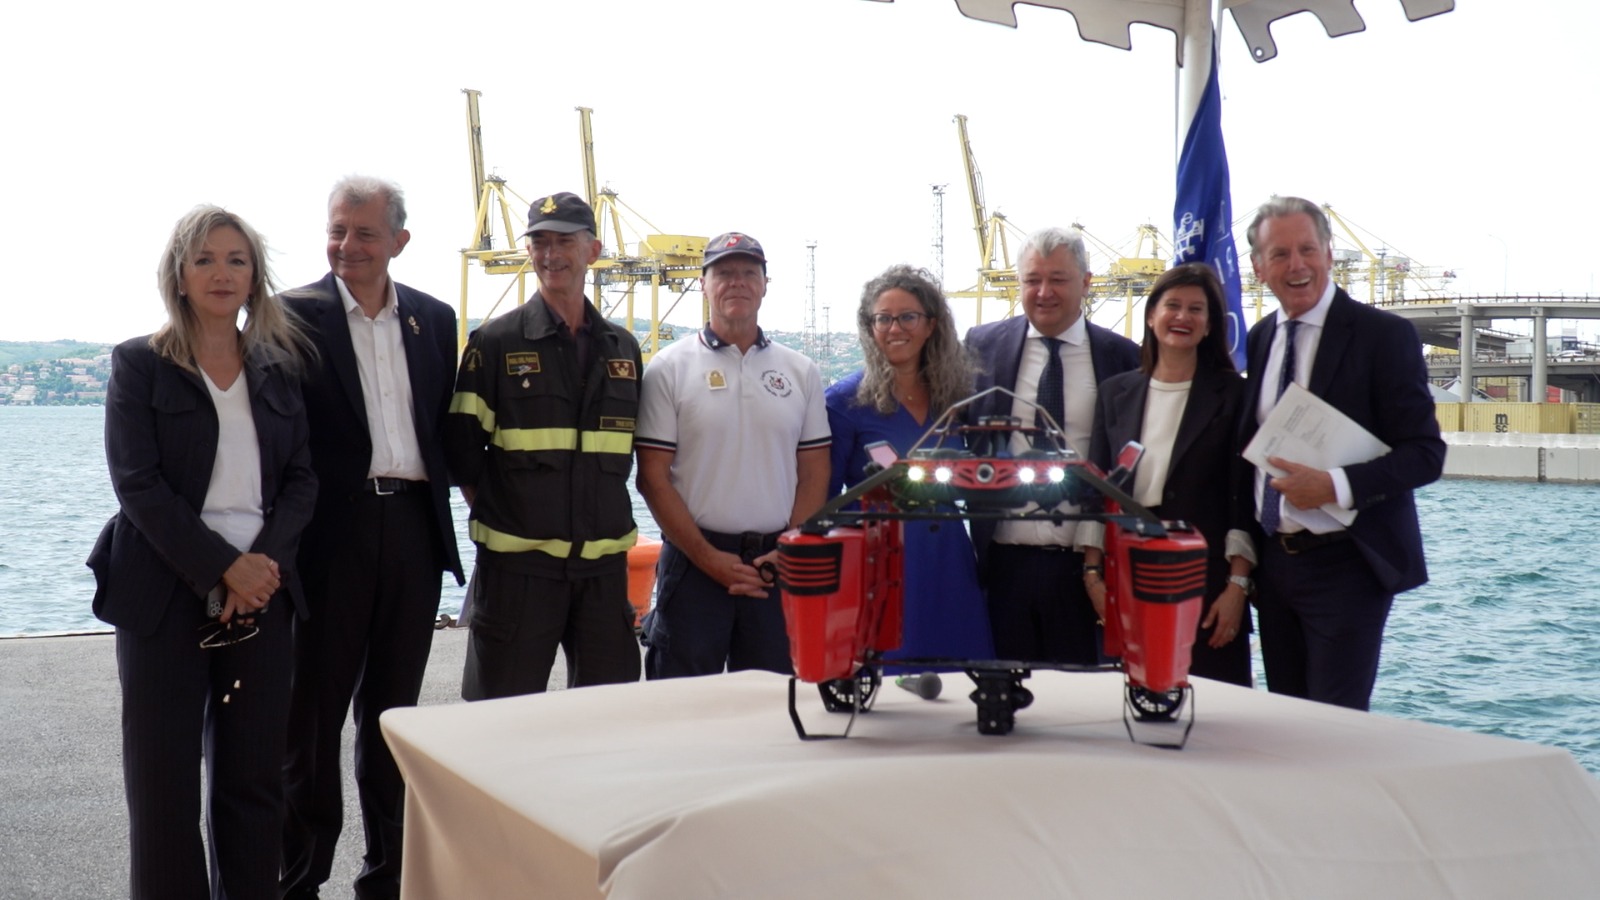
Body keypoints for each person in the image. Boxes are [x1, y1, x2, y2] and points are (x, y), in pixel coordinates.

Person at [89, 205, 316, 899]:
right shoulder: (139, 364)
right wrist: (224, 568)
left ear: (254, 278)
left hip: (261, 596)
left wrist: (260, 569)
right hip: (164, 597)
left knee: (254, 785)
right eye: (206, 259)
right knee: (163, 790)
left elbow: (302, 479)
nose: (222, 273)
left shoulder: (278, 368)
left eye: (237, 260)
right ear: (179, 275)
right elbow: (138, 484)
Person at [279, 175, 464, 900]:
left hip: (414, 530)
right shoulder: (290, 316)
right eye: (337, 230)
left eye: (364, 232)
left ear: (399, 241)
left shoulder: (434, 319)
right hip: (331, 536)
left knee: (393, 718)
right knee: (312, 721)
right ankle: (299, 879)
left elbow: (446, 427)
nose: (347, 245)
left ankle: (387, 878)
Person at [1239, 196, 1444, 711]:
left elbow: (1425, 454)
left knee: (1336, 726)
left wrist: (1333, 485)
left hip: (1347, 564)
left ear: (1330, 253)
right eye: (1280, 254)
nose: (1297, 265)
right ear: (1258, 268)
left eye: (1308, 249)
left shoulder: (1384, 336)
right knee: (1287, 717)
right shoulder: (1260, 339)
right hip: (1274, 567)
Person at [444, 191, 643, 698]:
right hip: (519, 572)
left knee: (610, 717)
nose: (551, 254)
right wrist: (517, 517)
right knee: (501, 717)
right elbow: (463, 456)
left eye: (564, 242)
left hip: (602, 572)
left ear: (593, 250)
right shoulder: (494, 343)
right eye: (540, 243)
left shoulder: (622, 349)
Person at [636, 231, 831, 678]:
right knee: (681, 701)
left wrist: (788, 549)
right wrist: (708, 558)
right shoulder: (668, 367)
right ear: (703, 285)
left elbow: (814, 472)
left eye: (748, 272)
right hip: (693, 565)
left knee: (772, 702)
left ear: (765, 285)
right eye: (723, 273)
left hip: (774, 563)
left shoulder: (800, 371)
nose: (737, 282)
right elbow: (652, 478)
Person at [964, 226, 1140, 665]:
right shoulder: (981, 347)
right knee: (1005, 694)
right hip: (1002, 566)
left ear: (1086, 282)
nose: (1044, 292)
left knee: (1083, 696)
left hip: (1086, 567)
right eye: (1032, 280)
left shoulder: (1123, 357)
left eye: (1058, 279)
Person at [1081, 263, 1255, 686]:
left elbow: (1243, 498)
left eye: (1196, 309)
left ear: (1210, 325)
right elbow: (1097, 490)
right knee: (1136, 697)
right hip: (1128, 573)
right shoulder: (1115, 393)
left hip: (1206, 578)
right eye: (1172, 306)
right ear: (1151, 315)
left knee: (1215, 702)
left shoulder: (1236, 395)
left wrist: (1237, 586)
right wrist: (1092, 575)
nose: (1182, 317)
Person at [826, 264, 992, 665]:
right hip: (878, 565)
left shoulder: (957, 397)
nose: (895, 328)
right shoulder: (844, 401)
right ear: (869, 327)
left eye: (908, 317)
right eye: (883, 319)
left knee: (962, 674)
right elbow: (826, 499)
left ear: (931, 325)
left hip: (949, 559)